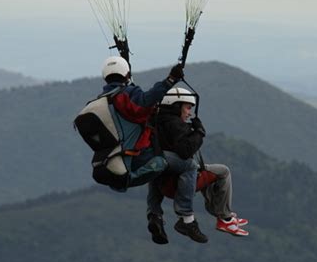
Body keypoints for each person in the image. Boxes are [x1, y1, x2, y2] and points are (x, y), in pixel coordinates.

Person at [146, 87, 249, 244]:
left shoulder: (156, 121)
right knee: (223, 171)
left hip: (163, 183)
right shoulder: (175, 124)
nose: (189, 113)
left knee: (158, 165)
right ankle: (225, 218)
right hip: (177, 184)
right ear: (175, 106)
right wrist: (199, 132)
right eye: (187, 108)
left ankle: (155, 214)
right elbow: (185, 151)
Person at [99, 56, 184, 186]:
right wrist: (170, 80)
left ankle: (154, 206)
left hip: (112, 157)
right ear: (127, 74)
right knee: (183, 164)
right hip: (136, 156)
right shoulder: (126, 95)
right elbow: (146, 101)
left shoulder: (101, 101)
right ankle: (129, 180)